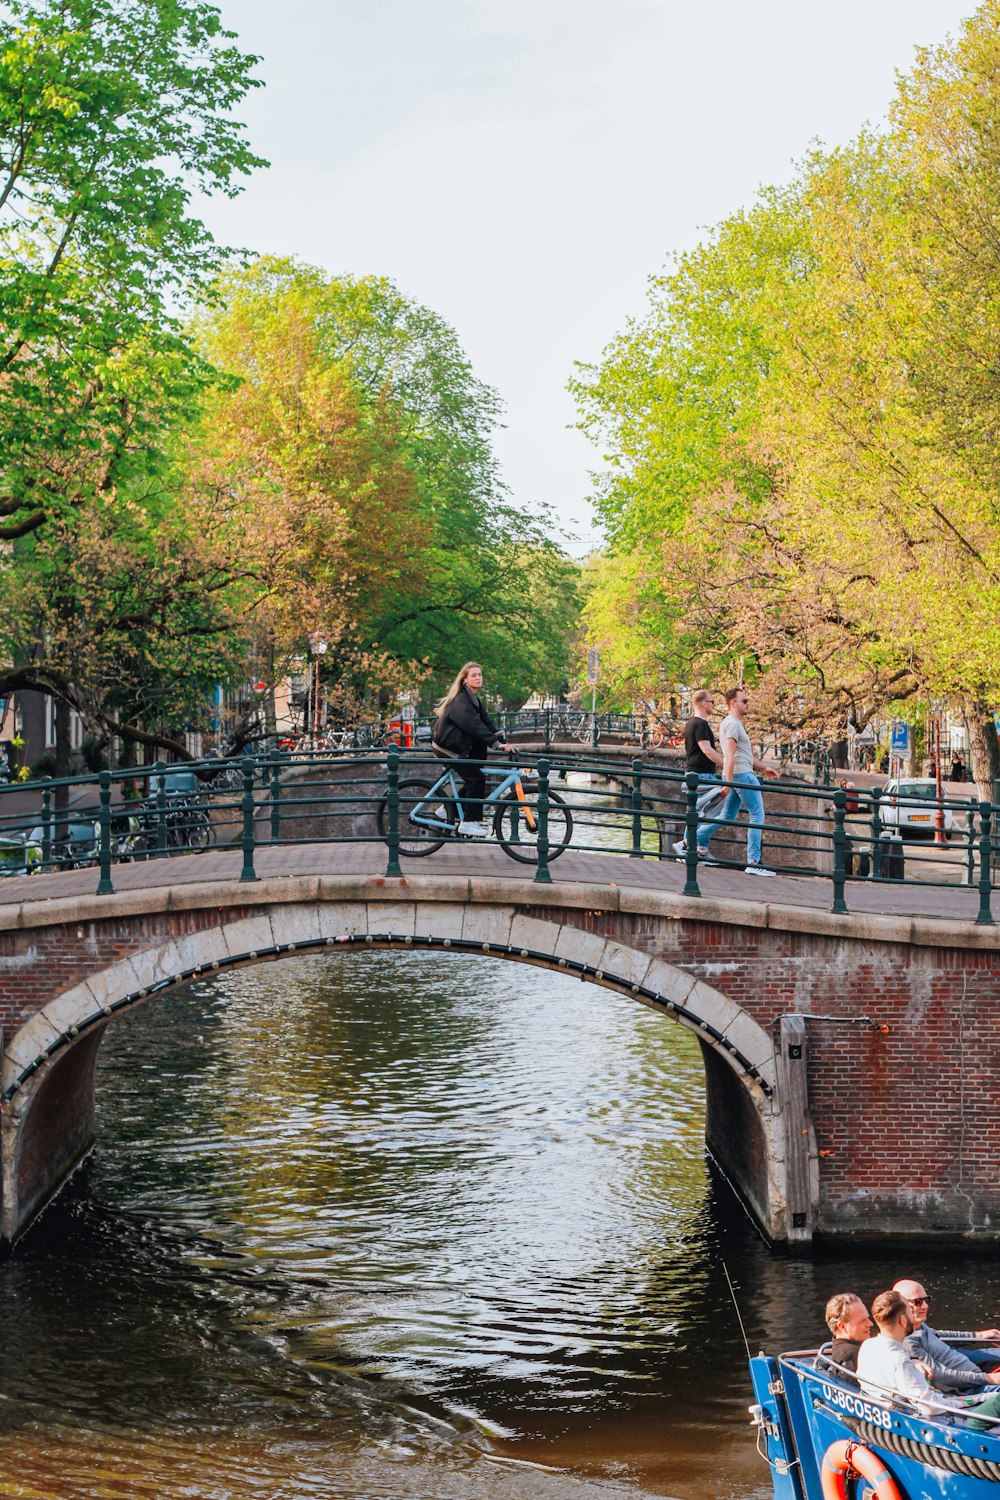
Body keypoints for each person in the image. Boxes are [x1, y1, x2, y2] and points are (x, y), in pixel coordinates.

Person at [858, 1291, 1000, 1430]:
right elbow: (931, 1408)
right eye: (910, 1310)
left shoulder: (868, 1346)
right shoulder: (900, 1361)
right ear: (902, 1320)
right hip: (944, 1419)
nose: (914, 1312)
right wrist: (973, 1399)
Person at [693, 685, 779, 877]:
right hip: (741, 776)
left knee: (726, 817)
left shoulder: (733, 723)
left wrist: (764, 767)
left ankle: (692, 838)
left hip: (738, 774)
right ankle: (754, 861)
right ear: (733, 703)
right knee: (757, 815)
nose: (748, 704)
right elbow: (730, 756)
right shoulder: (732, 724)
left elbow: (743, 756)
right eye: (744, 701)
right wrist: (728, 783)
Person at [432, 663, 512, 837]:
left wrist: (504, 742)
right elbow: (473, 726)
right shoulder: (461, 701)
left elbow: (486, 724)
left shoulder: (474, 700)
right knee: (476, 779)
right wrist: (496, 745)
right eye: (474, 675)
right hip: (449, 747)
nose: (478, 678)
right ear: (465, 680)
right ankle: (467, 823)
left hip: (461, 745)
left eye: (480, 674)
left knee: (478, 778)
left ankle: (447, 809)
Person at [894, 1278, 1000, 1392]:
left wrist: (977, 1335)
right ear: (902, 1305)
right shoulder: (909, 1342)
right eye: (918, 1302)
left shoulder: (918, 1325)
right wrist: (988, 1378)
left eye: (926, 1300)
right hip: (969, 1387)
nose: (925, 1306)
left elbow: (939, 1334)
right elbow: (940, 1376)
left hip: (970, 1368)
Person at [673, 689, 723, 858]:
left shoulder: (691, 723)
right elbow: (706, 750)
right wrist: (727, 764)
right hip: (702, 774)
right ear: (704, 703)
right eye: (712, 701)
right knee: (711, 811)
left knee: (697, 812)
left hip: (696, 773)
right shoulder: (700, 724)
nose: (713, 705)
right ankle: (695, 847)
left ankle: (697, 849)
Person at [823, 1293, 873, 1373]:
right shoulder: (851, 1355)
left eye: (867, 1318)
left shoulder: (839, 1350)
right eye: (862, 1321)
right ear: (842, 1326)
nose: (870, 1324)